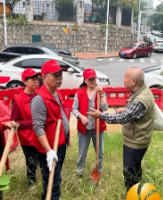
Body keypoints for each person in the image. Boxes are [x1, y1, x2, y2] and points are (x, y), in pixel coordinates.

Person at [87, 67, 155, 192]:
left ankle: (132, 193)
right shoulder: (142, 91)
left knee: (130, 172)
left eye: (125, 77)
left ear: (133, 81)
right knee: (135, 167)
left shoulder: (141, 99)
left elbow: (122, 118)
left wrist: (100, 115)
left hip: (136, 142)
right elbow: (133, 112)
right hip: (137, 138)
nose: (123, 80)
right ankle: (137, 189)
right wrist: (127, 110)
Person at [31, 60, 70, 200]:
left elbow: (59, 117)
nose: (59, 78)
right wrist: (49, 151)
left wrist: (67, 136)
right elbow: (38, 127)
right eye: (55, 75)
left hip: (60, 143)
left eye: (60, 74)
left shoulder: (56, 92)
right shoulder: (39, 100)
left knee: (53, 177)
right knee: (54, 182)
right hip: (49, 148)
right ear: (44, 77)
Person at [72, 68, 108, 177]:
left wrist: (101, 95)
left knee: (99, 152)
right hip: (84, 129)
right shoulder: (79, 93)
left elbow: (105, 108)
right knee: (82, 152)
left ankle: (97, 171)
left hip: (98, 128)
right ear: (85, 81)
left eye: (94, 78)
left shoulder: (100, 92)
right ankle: (80, 171)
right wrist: (81, 117)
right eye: (90, 79)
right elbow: (74, 109)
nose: (93, 81)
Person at [10, 68, 42, 186]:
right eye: (32, 79)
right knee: (31, 163)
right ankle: (32, 185)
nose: (35, 81)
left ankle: (45, 182)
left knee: (43, 161)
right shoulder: (18, 100)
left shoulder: (39, 96)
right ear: (24, 81)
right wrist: (33, 123)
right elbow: (14, 121)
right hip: (28, 139)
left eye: (36, 79)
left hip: (40, 135)